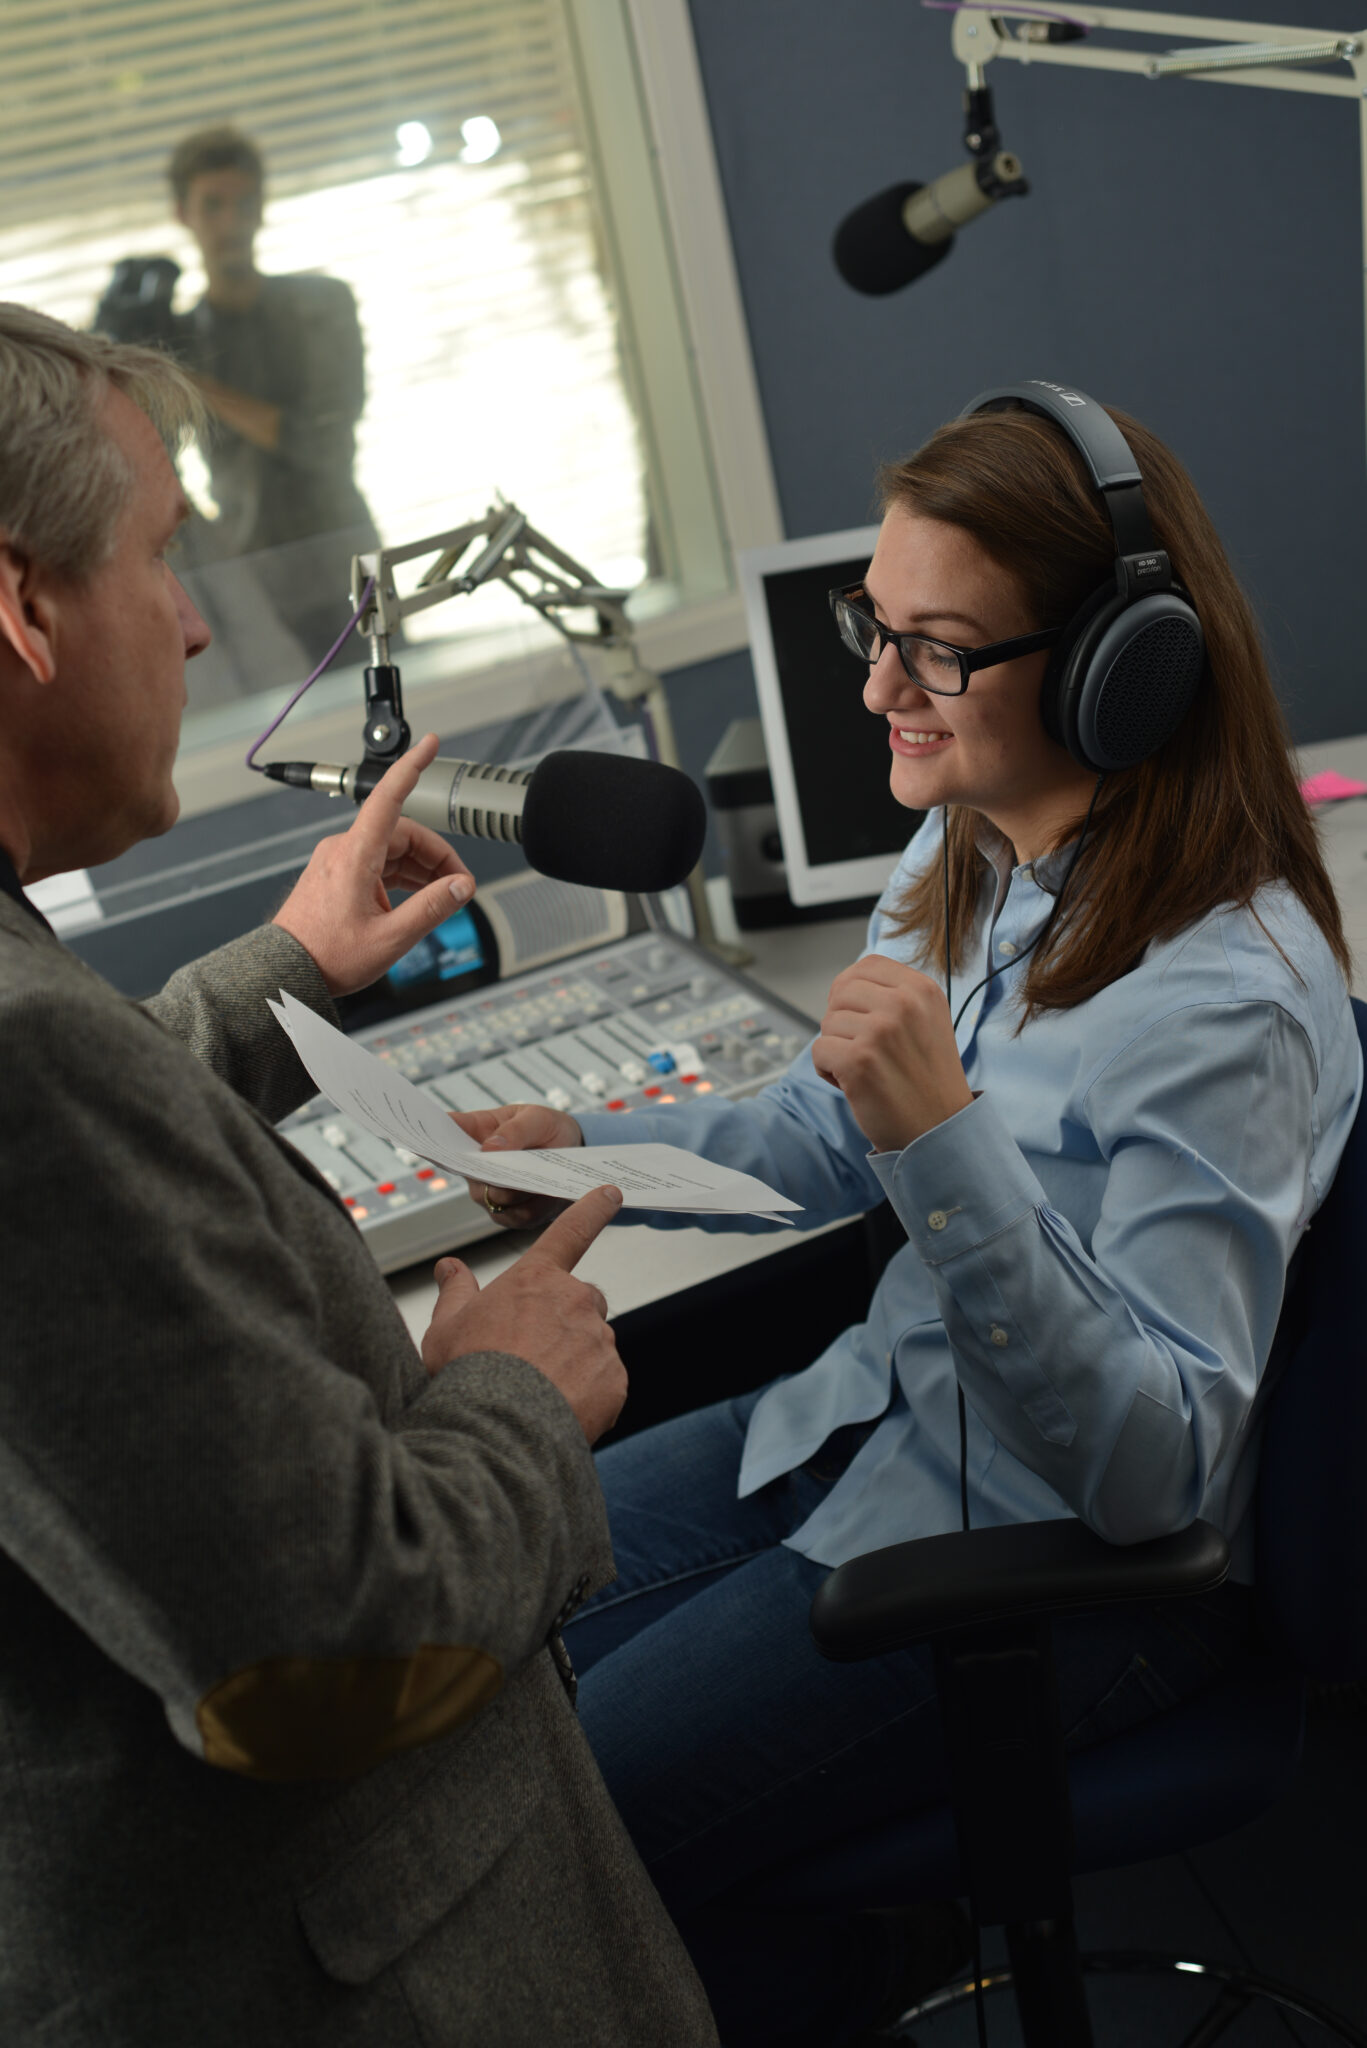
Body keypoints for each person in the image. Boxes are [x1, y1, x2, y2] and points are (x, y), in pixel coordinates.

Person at [458, 389, 1363, 2044]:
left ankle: (828, 1979)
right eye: (873, 626)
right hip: (862, 1424)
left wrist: (942, 1137)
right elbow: (825, 1118)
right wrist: (583, 1145)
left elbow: (1153, 1469)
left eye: (936, 651)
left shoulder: (1235, 1005)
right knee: (470, 1628)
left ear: (1124, 666)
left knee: (551, 1822)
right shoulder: (968, 849)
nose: (876, 688)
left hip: (1069, 1572)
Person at [0, 302, 717, 2047]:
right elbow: (325, 1654)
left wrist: (291, 961)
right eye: (163, 560)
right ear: (19, 605)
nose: (187, 623)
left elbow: (83, 1173)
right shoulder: (22, 1061)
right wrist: (512, 1395)